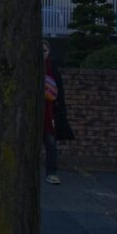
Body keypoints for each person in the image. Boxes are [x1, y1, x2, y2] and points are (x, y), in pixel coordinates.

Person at [43, 40, 74, 185]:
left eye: (45, 50)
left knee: (51, 143)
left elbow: (59, 92)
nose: (43, 53)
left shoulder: (53, 69)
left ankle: (51, 172)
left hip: (49, 113)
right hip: (38, 113)